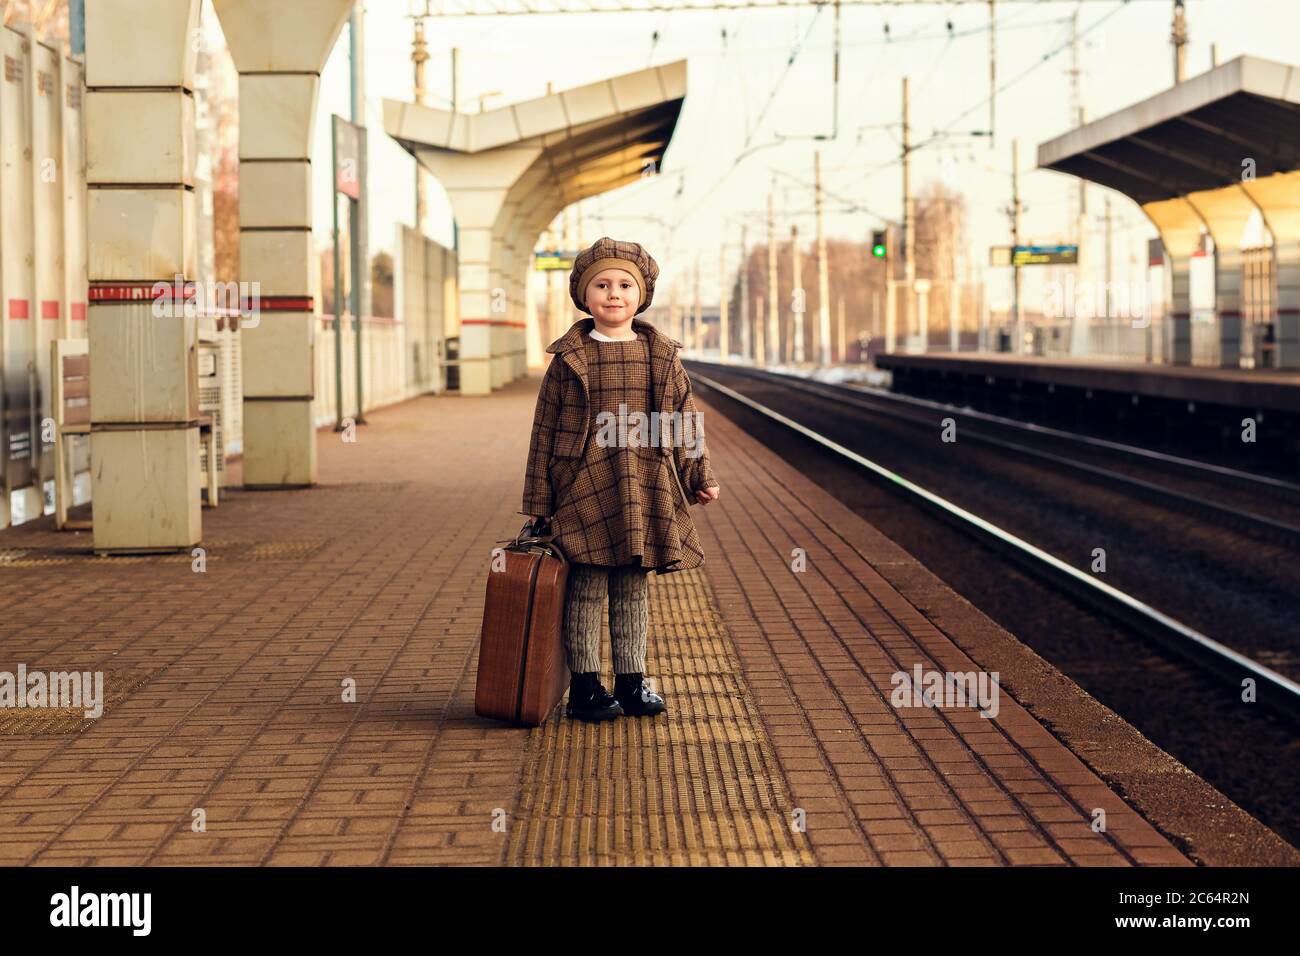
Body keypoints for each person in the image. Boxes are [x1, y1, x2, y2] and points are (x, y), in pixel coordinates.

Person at [521, 237, 721, 722]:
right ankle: (586, 688)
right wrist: (540, 500)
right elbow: (544, 431)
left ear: (642, 293)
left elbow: (682, 419)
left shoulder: (659, 354)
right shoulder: (569, 358)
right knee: (586, 585)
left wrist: (699, 474)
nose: (614, 294)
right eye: (602, 285)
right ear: (584, 296)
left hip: (642, 485)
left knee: (633, 585)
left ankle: (632, 681)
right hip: (581, 486)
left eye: (625, 285)